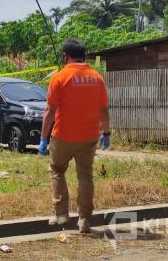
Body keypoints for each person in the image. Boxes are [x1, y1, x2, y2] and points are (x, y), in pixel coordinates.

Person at [39, 39, 110, 234]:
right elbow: (103, 110)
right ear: (84, 55)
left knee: (56, 170)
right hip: (89, 137)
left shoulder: (59, 77)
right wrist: (106, 133)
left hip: (62, 136)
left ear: (65, 56)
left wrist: (43, 139)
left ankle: (61, 213)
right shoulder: (97, 78)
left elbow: (49, 111)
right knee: (85, 177)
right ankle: (84, 220)